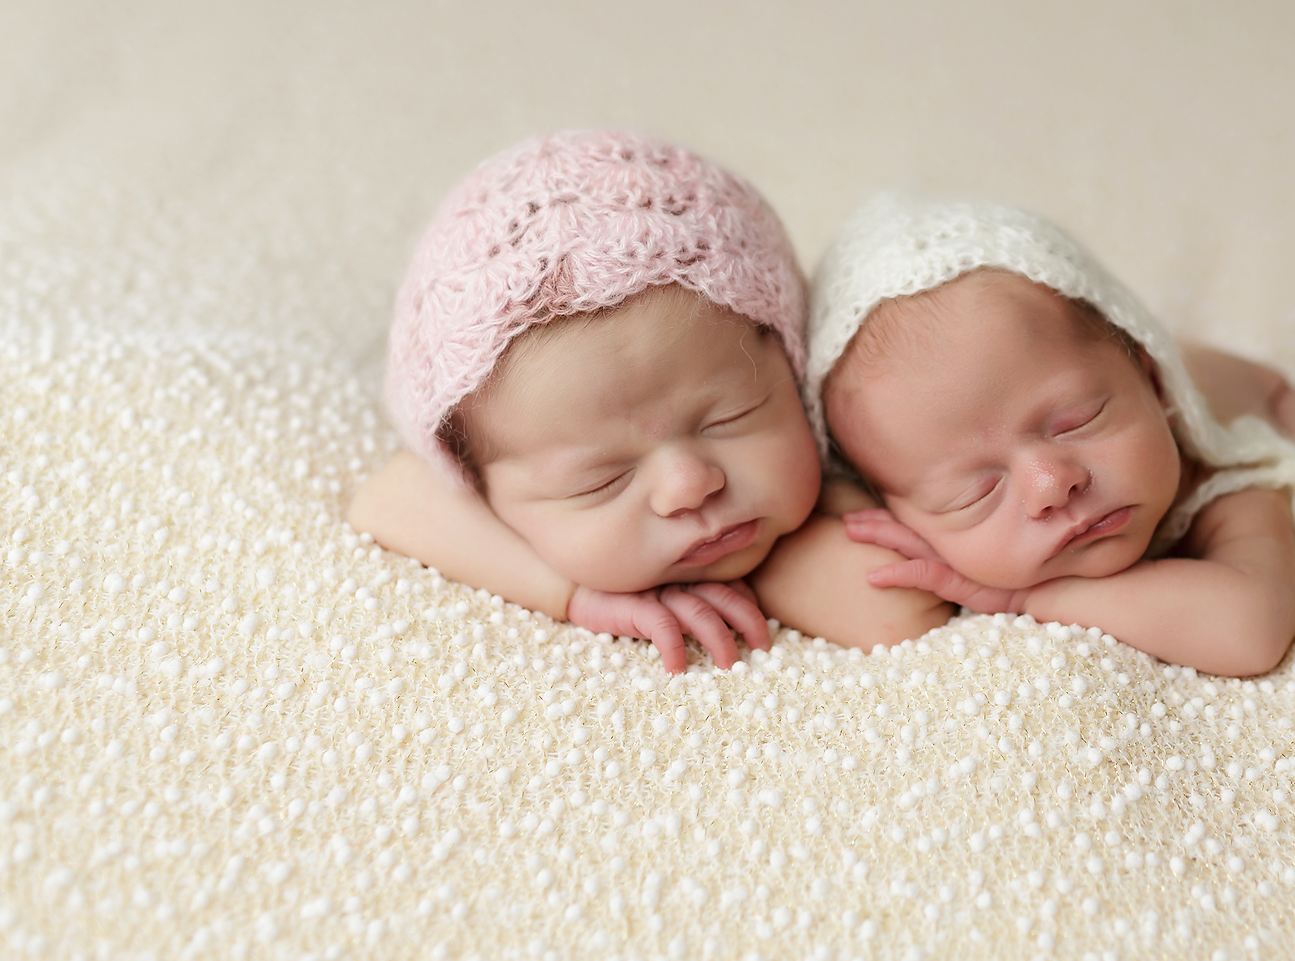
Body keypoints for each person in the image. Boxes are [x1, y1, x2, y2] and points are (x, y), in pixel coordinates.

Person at [345, 130, 948, 671]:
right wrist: (577, 595)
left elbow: (896, 611)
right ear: (480, 490)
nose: (690, 485)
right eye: (601, 480)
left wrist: (761, 565)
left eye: (729, 419)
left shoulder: (855, 442)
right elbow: (389, 499)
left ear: (791, 365)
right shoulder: (458, 476)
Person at [750, 193, 1295, 678]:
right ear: (886, 502)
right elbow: (860, 595)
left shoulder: (1227, 478)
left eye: (1078, 420)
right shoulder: (902, 479)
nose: (1051, 484)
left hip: (1249, 392)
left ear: (1149, 379)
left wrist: (1025, 595)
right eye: (977, 491)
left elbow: (1250, 627)